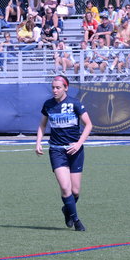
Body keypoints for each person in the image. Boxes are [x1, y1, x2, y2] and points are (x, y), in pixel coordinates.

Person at [35, 75, 92, 231]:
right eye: (53, 87)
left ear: (66, 88)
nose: (54, 90)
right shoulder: (48, 104)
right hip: (57, 151)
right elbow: (42, 125)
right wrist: (38, 142)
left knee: (75, 191)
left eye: (58, 87)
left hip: (75, 151)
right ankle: (76, 221)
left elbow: (88, 125)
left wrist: (78, 144)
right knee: (66, 188)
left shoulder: (75, 103)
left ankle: (67, 210)